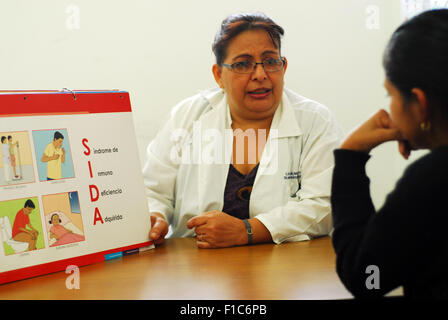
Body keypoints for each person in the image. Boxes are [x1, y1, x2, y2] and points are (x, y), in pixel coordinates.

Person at [144, 12, 343, 248]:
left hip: (286, 268)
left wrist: (247, 230)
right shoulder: (187, 116)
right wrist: (155, 216)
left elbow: (325, 205)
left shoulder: (315, 121)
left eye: (270, 61)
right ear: (219, 75)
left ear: (283, 66)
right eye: (243, 64)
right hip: (195, 268)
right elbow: (154, 191)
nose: (260, 75)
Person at [331, 9, 448, 299]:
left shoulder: (431, 180)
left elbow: (367, 278)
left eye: (390, 95)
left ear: (420, 103)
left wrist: (350, 157)